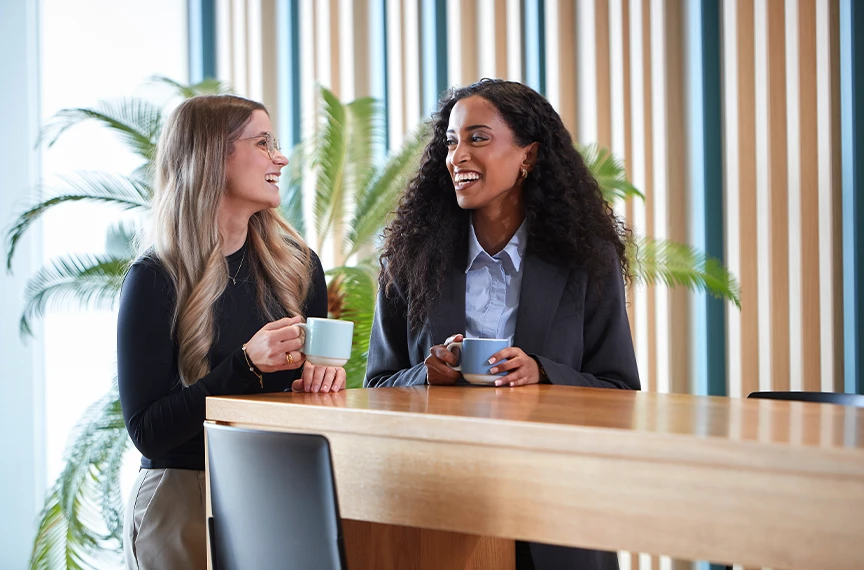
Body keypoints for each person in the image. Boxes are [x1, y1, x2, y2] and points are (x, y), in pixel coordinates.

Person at [364, 79, 639, 570]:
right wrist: (426, 375)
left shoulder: (586, 262)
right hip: (439, 509)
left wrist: (541, 372)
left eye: (478, 138)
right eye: (451, 141)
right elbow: (377, 384)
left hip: (556, 509)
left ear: (528, 156)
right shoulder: (410, 261)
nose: (457, 155)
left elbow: (619, 391)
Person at [118, 94, 346, 570]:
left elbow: (303, 402)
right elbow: (148, 432)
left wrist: (323, 383)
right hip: (181, 499)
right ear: (212, 157)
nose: (280, 158)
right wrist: (243, 366)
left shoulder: (299, 268)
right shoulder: (155, 277)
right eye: (263, 143)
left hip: (278, 490)